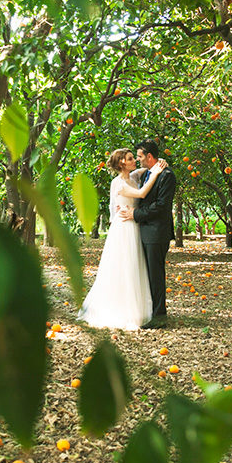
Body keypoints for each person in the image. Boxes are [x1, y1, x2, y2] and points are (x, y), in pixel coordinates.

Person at [77, 148, 166, 330]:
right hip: (124, 227)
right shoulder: (118, 183)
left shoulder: (133, 177)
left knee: (135, 266)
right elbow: (141, 194)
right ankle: (122, 310)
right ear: (121, 163)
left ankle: (138, 308)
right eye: (131, 158)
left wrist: (157, 163)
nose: (135, 161)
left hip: (134, 225)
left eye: (135, 157)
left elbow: (146, 167)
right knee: (124, 266)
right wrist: (156, 174)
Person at [118, 140, 176, 328]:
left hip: (156, 233)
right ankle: (148, 311)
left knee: (155, 275)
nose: (138, 159)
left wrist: (135, 214)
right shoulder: (146, 174)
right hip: (143, 231)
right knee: (147, 274)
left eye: (140, 156)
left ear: (149, 157)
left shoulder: (167, 176)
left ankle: (159, 317)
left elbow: (160, 206)